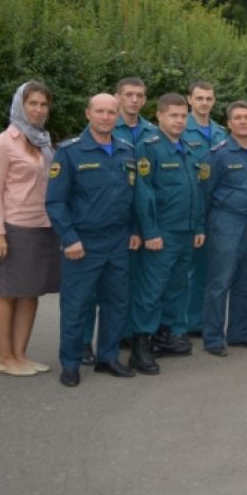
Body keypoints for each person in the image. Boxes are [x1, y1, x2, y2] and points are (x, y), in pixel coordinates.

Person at [46, 93, 141, 387]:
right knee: (77, 306)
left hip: (118, 241)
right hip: (83, 244)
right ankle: (71, 363)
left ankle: (108, 358)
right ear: (88, 113)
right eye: (99, 111)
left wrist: (136, 230)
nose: (106, 117)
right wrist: (69, 238)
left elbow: (132, 196)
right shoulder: (70, 153)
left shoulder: (126, 151)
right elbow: (55, 202)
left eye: (111, 112)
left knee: (116, 303)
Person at [0, 81, 61, 377]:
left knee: (30, 292)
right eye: (33, 103)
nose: (39, 109)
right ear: (20, 105)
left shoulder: (43, 141)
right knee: (7, 292)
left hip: (43, 226)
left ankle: (20, 355)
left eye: (43, 104)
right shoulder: (2, 143)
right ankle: (4, 358)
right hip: (15, 227)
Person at [128, 93, 206, 374]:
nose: (179, 121)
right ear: (159, 116)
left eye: (183, 116)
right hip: (162, 233)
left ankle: (166, 336)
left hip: (185, 232)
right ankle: (140, 347)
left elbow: (195, 191)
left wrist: (198, 227)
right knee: (151, 290)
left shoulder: (187, 148)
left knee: (177, 287)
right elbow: (143, 193)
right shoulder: (148, 148)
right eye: (173, 115)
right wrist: (150, 232)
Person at [80, 77, 156, 363]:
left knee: (126, 287)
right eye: (129, 95)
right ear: (117, 97)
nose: (134, 100)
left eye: (140, 95)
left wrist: (140, 227)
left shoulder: (151, 132)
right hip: (101, 222)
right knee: (91, 290)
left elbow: (145, 186)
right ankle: (84, 342)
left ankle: (121, 336)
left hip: (134, 223)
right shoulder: (103, 127)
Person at [201, 101, 247, 356]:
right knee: (220, 282)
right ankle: (213, 337)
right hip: (227, 222)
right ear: (228, 122)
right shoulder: (218, 153)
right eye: (237, 118)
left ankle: (239, 333)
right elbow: (204, 192)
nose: (243, 122)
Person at [182, 81, 227, 339]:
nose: (204, 103)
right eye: (199, 98)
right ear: (190, 99)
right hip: (188, 208)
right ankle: (185, 323)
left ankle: (200, 322)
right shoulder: (180, 129)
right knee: (186, 270)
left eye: (209, 98)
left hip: (216, 210)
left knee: (208, 269)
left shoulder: (220, 133)